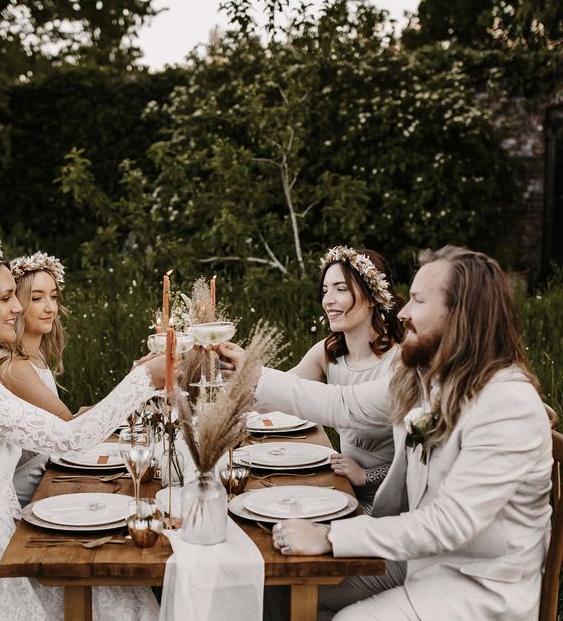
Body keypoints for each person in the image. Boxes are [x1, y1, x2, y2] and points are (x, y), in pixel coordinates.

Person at [220, 246, 552, 620]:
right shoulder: (427, 377)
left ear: (460, 315)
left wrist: (330, 538)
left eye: (418, 301)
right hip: (418, 559)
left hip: (479, 585)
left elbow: (450, 522)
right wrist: (252, 373)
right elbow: (342, 404)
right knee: (277, 583)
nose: (404, 313)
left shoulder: (507, 403)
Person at [0, 238, 163, 620]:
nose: (18, 307)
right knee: (105, 590)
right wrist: (143, 381)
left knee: (110, 588)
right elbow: (70, 438)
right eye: (5, 298)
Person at [290, 246, 403, 512]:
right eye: (326, 290)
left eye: (340, 289)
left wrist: (368, 475)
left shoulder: (401, 364)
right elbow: (283, 390)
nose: (328, 299)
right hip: (342, 495)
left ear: (373, 296)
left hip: (388, 509)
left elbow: (420, 459)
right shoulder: (328, 352)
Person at [0, 251, 75, 506]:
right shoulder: (14, 367)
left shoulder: (35, 359)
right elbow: (69, 426)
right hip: (24, 487)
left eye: (54, 296)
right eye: (37, 298)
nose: (50, 307)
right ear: (16, 305)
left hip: (47, 472)